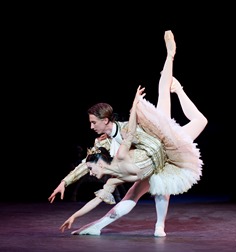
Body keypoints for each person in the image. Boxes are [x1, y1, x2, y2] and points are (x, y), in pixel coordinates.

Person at [58, 30, 208, 237]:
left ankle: (171, 58)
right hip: (150, 161)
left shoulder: (122, 138)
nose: (91, 127)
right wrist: (65, 184)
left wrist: (136, 104)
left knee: (170, 98)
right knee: (144, 189)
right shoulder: (110, 154)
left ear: (105, 121)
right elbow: (89, 165)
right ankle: (104, 226)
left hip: (160, 140)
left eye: (94, 122)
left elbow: (131, 127)